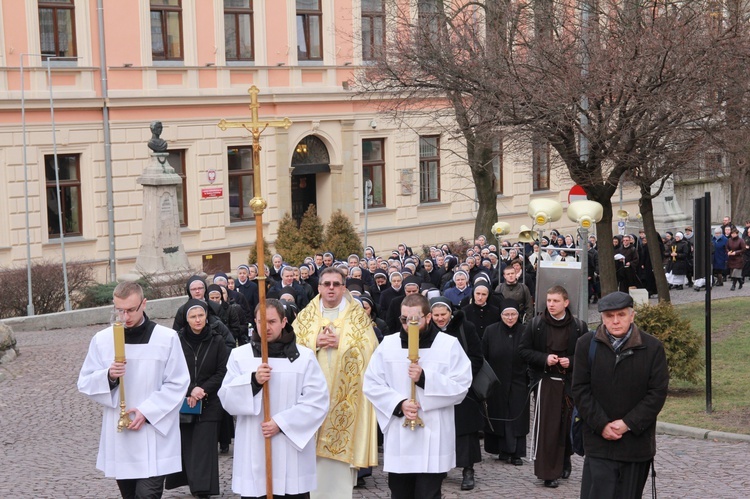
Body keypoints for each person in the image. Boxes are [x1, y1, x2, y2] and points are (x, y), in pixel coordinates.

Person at [78, 281, 190, 499]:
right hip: (122, 437)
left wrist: (147, 411)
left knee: (147, 495)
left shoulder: (166, 338)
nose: (125, 316)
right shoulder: (102, 340)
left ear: (144, 304)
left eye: (130, 310)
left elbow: (178, 382)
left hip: (154, 432)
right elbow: (85, 381)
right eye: (119, 310)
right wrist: (109, 376)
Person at [363, 294, 472, 499]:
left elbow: (461, 385)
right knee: (400, 492)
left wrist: (425, 379)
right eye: (404, 319)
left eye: (415, 319)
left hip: (434, 432)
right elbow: (371, 383)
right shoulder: (388, 345)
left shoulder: (448, 345)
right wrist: (399, 404)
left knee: (428, 493)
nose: (408, 324)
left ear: (428, 317)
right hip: (400, 433)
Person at [218, 299, 330, 499]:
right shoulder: (239, 356)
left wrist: (281, 423)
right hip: (254, 446)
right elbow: (226, 398)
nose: (266, 327)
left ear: (284, 321)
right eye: (261, 322)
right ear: (255, 321)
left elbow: (317, 401)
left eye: (272, 321)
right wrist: (252, 381)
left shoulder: (304, 358)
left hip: (291, 451)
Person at [293, 267, 379, 499]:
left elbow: (371, 350)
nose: (331, 288)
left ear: (343, 287)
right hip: (311, 397)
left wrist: (343, 342)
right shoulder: (306, 316)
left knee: (338, 463)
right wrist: (314, 341)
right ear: (319, 287)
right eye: (327, 284)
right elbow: (290, 350)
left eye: (336, 284)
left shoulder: (357, 316)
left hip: (345, 399)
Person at [572, 291, 669, 499]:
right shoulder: (585, 344)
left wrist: (628, 423)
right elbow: (580, 389)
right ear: (602, 318)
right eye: (609, 316)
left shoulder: (652, 348)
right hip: (599, 442)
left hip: (635, 444)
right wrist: (602, 425)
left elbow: (657, 393)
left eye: (621, 315)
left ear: (632, 316)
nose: (615, 321)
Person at [519, 285, 588, 488]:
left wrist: (572, 361)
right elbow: (523, 351)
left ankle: (565, 459)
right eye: (549, 301)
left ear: (566, 303)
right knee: (548, 430)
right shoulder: (536, 324)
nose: (551, 305)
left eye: (555, 301)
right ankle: (549, 473)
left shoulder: (578, 326)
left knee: (568, 427)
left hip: (569, 385)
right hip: (546, 383)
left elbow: (586, 355)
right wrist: (544, 358)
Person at [165, 300, 229, 498]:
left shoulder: (217, 340)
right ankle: (193, 482)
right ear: (186, 319)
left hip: (209, 400)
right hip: (184, 399)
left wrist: (203, 390)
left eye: (201, 315)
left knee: (205, 445)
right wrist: (191, 390)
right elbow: (170, 370)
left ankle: (203, 489)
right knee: (188, 444)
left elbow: (222, 371)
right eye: (193, 316)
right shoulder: (176, 340)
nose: (198, 320)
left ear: (206, 316)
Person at [482, 299, 529, 466]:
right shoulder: (490, 331)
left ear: (519, 315)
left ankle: (517, 453)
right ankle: (501, 450)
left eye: (513, 314)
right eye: (506, 314)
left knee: (517, 416)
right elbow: (484, 356)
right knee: (499, 414)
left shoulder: (525, 331)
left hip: (519, 380)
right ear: (501, 315)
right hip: (497, 380)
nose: (510, 318)